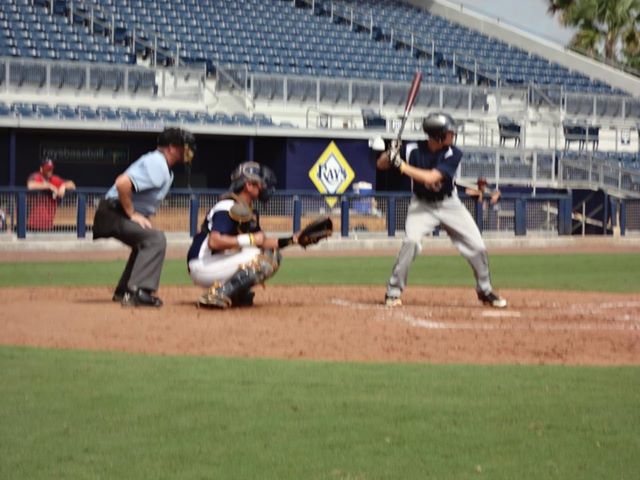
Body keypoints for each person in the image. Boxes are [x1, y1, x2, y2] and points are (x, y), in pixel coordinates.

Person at [375, 112, 507, 308]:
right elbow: (381, 164)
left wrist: (401, 165)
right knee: (410, 242)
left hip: (449, 204)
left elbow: (431, 178)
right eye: (449, 133)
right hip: (421, 205)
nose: (452, 136)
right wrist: (390, 152)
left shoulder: (453, 153)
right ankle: (393, 292)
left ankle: (485, 290)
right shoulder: (412, 149)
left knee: (477, 246)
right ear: (437, 135)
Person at [92, 127, 196, 307]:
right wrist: (132, 213)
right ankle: (138, 292)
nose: (188, 151)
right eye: (184, 147)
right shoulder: (158, 162)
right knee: (155, 240)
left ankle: (125, 290)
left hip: (114, 211)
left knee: (146, 240)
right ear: (171, 147)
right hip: (113, 211)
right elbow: (122, 183)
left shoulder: (160, 163)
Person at [188, 161, 302, 309]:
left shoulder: (248, 210)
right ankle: (218, 293)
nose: (265, 187)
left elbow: (263, 242)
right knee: (264, 258)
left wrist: (295, 240)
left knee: (270, 253)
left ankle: (235, 293)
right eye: (261, 183)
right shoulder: (227, 206)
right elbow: (214, 242)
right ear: (249, 185)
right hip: (201, 264)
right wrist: (250, 239)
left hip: (215, 262)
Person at [26, 158, 76, 230]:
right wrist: (49, 186)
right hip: (32, 226)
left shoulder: (54, 179)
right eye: (47, 168)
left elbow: (72, 184)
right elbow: (30, 185)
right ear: (41, 169)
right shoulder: (36, 177)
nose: (49, 171)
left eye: (51, 169)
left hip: (48, 225)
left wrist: (63, 186)